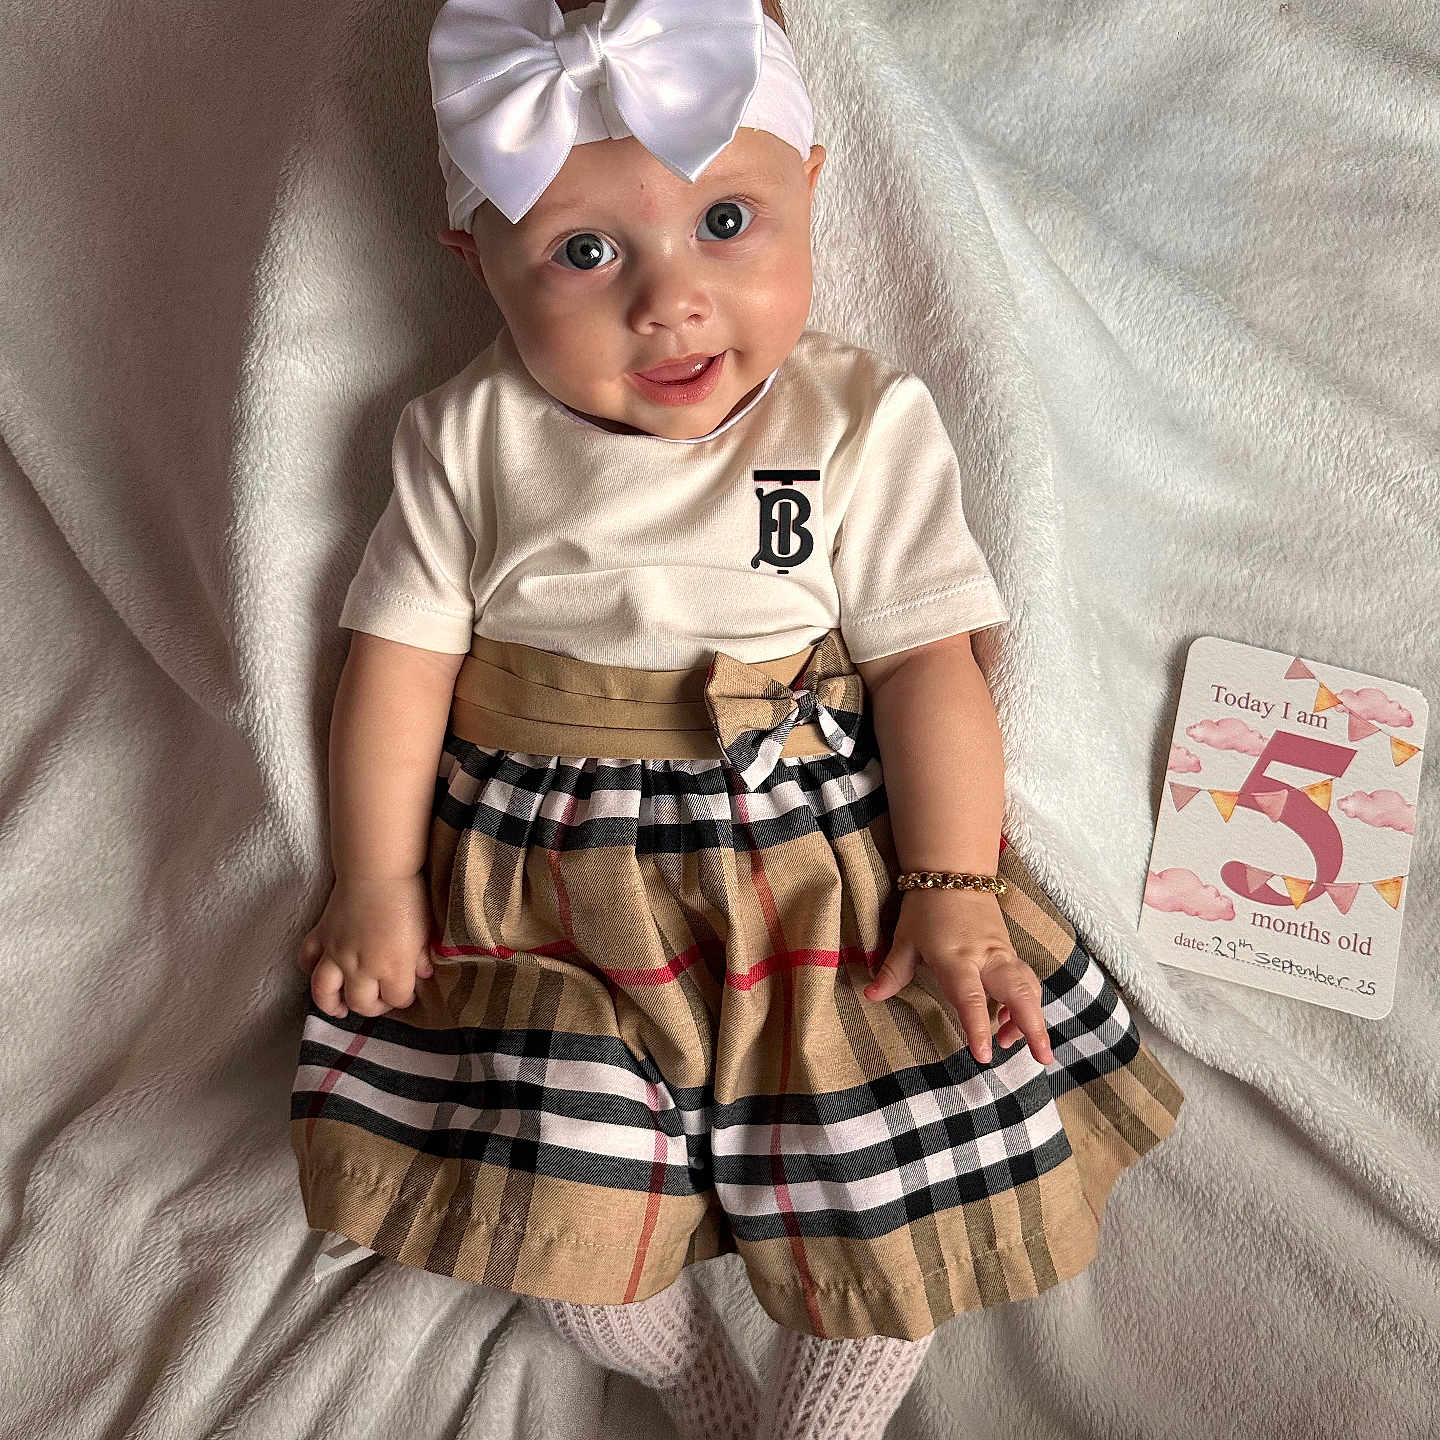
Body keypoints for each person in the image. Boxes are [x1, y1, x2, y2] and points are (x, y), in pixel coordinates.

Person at [289, 1, 1187, 1436]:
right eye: (585, 254)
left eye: (727, 221)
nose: (670, 303)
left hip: (813, 869)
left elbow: (929, 668)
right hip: (551, 892)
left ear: (814, 184)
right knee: (560, 1238)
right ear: (479, 261)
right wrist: (380, 880)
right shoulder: (465, 438)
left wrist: (954, 889)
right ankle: (706, 1393)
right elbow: (393, 669)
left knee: (886, 1223)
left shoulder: (854, 421)